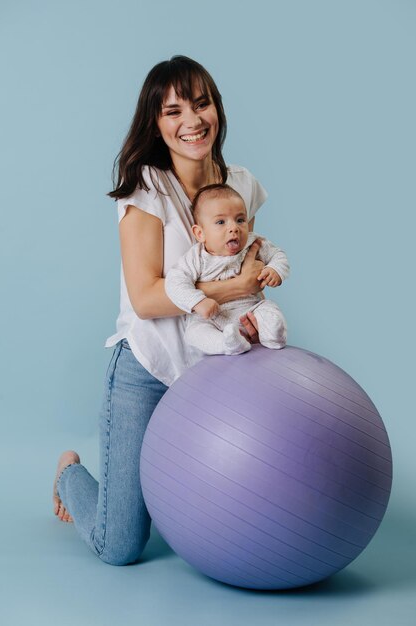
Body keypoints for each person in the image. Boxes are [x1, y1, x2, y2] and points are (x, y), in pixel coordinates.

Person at [53, 55, 270, 565]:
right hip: (145, 370)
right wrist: (232, 287)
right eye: (173, 111)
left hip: (212, 368)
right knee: (121, 545)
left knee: (214, 522)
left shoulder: (242, 184)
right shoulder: (145, 191)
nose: (191, 121)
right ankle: (67, 473)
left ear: (217, 109)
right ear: (156, 123)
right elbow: (148, 299)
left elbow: (244, 271)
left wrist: (249, 314)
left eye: (201, 104)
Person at [165, 183, 289, 355]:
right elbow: (174, 282)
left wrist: (275, 269)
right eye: (221, 222)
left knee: (269, 310)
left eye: (240, 220)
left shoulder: (254, 243)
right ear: (200, 233)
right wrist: (197, 302)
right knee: (194, 333)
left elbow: (278, 255)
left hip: (251, 308)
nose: (234, 228)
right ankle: (228, 343)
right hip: (212, 318)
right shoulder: (196, 257)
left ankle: (274, 335)